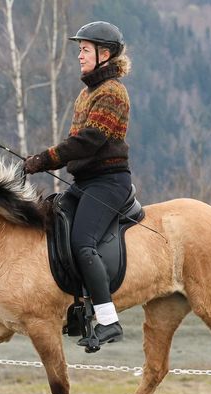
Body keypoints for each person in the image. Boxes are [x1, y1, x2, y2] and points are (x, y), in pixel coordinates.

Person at [25, 21, 132, 346]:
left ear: (104, 54)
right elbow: (77, 144)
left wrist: (43, 160)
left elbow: (88, 142)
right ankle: (76, 308)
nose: (79, 56)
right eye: (80, 50)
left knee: (83, 244)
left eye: (84, 50)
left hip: (109, 184)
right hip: (85, 182)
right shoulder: (87, 94)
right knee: (51, 222)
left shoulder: (113, 92)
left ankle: (108, 320)